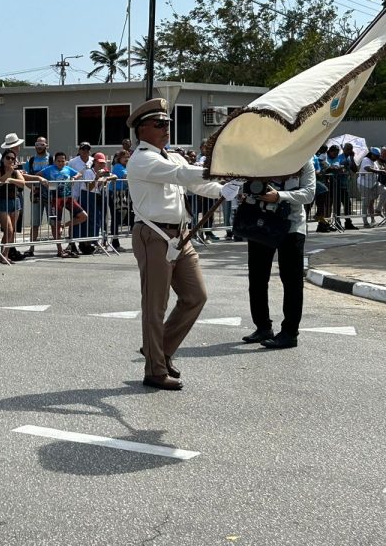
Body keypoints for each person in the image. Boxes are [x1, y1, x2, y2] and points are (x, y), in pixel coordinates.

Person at [126, 99, 238, 390]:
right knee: (155, 305)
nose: (166, 130)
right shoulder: (142, 159)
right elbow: (182, 175)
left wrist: (223, 190)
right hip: (154, 236)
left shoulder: (171, 156)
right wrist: (221, 171)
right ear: (142, 130)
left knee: (195, 295)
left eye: (168, 124)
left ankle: (159, 349)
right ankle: (154, 370)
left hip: (180, 235)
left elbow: (195, 183)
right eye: (160, 125)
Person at [240, 159, 316, 349]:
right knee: (257, 278)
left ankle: (290, 333)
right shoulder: (261, 161)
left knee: (292, 281)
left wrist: (279, 196)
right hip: (261, 223)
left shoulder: (303, 162)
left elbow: (308, 193)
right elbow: (244, 186)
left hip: (291, 226)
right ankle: (263, 327)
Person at [37, 152, 87, 258]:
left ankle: (64, 225)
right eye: (58, 161)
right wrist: (43, 181)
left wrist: (74, 178)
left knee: (83, 216)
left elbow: (79, 174)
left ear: (65, 161)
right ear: (55, 161)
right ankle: (59, 250)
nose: (61, 163)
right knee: (55, 224)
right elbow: (38, 176)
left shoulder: (68, 169)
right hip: (55, 199)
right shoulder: (49, 169)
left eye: (63, 161)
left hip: (68, 198)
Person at [0, 148, 26, 263]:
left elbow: (22, 184)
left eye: (13, 158)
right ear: (3, 159)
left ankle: (4, 255)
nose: (10, 160)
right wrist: (8, 174)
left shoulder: (16, 172)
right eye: (8, 158)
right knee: (9, 229)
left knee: (11, 231)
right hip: (2, 201)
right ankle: (3, 255)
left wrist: (10, 179)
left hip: (15, 201)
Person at [24, 137, 53, 257]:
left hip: (50, 193)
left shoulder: (51, 159)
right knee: (35, 222)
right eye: (37, 144)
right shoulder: (31, 160)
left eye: (41, 144)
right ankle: (31, 248)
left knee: (53, 221)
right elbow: (25, 177)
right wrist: (32, 188)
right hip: (36, 193)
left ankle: (59, 247)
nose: (39, 146)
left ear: (46, 145)